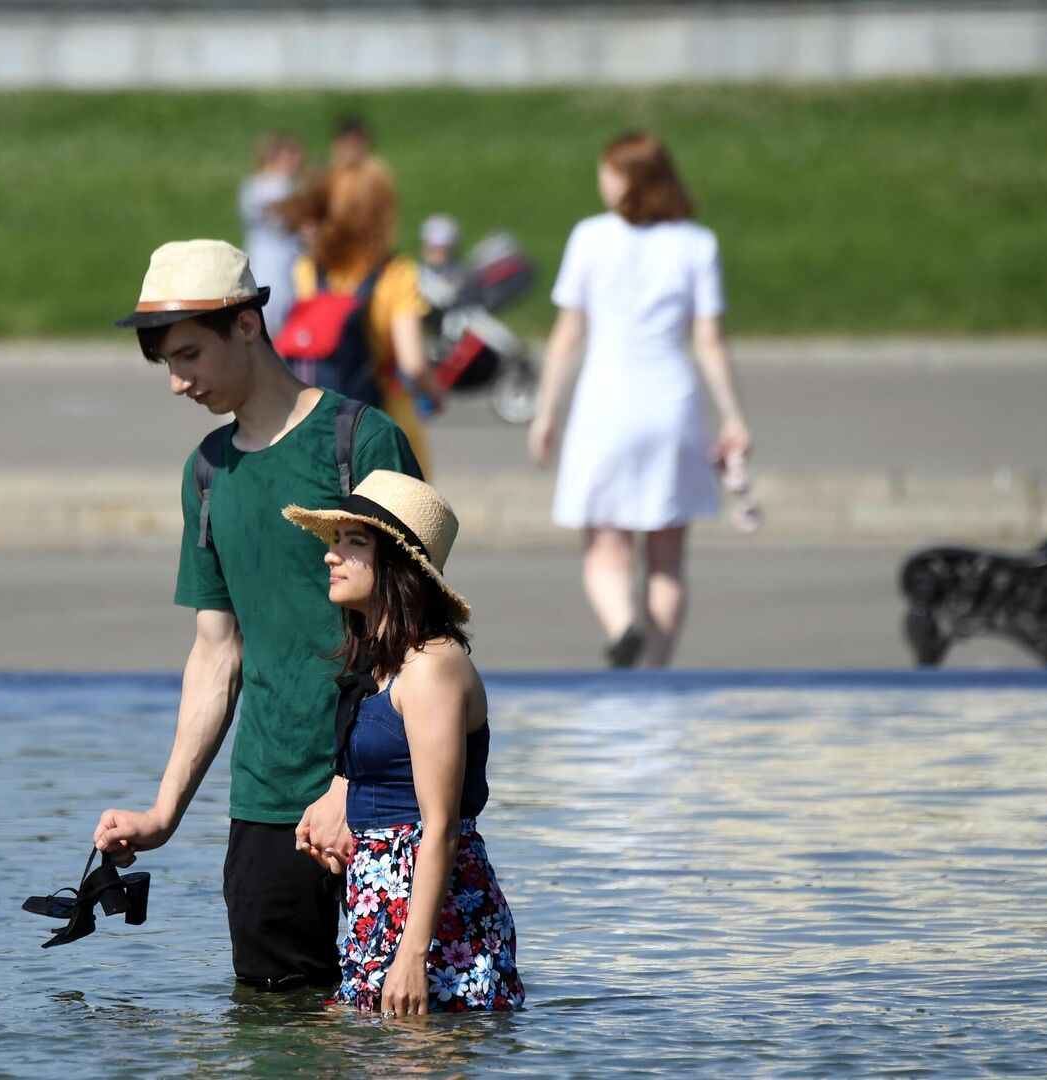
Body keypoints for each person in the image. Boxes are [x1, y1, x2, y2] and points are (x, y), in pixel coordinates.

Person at [94, 239, 423, 992]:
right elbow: (216, 653)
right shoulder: (207, 472)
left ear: (246, 325)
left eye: (189, 356)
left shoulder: (363, 442)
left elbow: (414, 633)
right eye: (167, 365)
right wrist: (164, 811)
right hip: (266, 806)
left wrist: (348, 786)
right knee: (273, 1037)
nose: (178, 383)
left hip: (384, 801)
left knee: (410, 1037)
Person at [284, 469, 525, 1015]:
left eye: (354, 542)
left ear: (395, 564)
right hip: (384, 904)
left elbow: (438, 825)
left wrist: (412, 954)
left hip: (435, 923)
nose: (331, 556)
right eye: (335, 540)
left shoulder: (433, 668)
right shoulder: (387, 665)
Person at [527, 131, 752, 669]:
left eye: (609, 172)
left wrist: (545, 412)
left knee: (606, 549)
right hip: (672, 406)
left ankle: (621, 624)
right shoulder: (697, 243)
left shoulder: (590, 237)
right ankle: (655, 667)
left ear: (629, 179)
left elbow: (567, 335)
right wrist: (734, 418)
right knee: (667, 560)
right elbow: (710, 342)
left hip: (606, 404)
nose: (602, 181)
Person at [278, 159, 441, 477]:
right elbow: (413, 363)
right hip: (383, 421)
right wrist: (433, 391)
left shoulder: (308, 270)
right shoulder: (397, 275)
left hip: (318, 430)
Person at [238, 131, 305, 335]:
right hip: (266, 272)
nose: (298, 161)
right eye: (291, 155)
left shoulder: (290, 189)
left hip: (289, 274)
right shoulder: (257, 188)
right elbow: (276, 206)